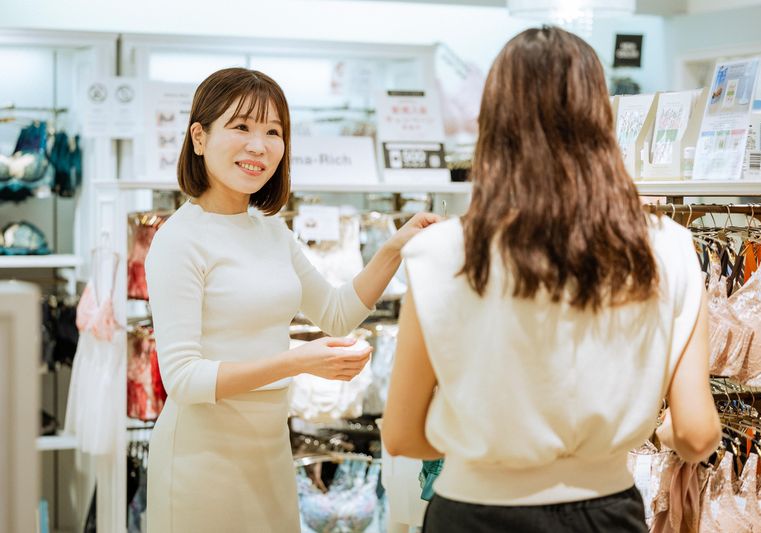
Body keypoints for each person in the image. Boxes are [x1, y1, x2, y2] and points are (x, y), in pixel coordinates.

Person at [381, 27, 721, 533]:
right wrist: (658, 433)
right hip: (606, 511)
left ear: (492, 124)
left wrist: (483, 441)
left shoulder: (441, 251)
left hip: (471, 509)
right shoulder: (666, 245)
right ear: (601, 118)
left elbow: (402, 435)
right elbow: (697, 434)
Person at [144, 67, 439, 533]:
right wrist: (298, 360)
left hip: (270, 451)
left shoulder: (271, 231)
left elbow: (338, 314)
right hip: (201, 460)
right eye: (241, 127)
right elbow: (183, 379)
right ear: (199, 138)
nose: (258, 146)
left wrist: (394, 248)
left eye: (273, 131)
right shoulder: (179, 240)